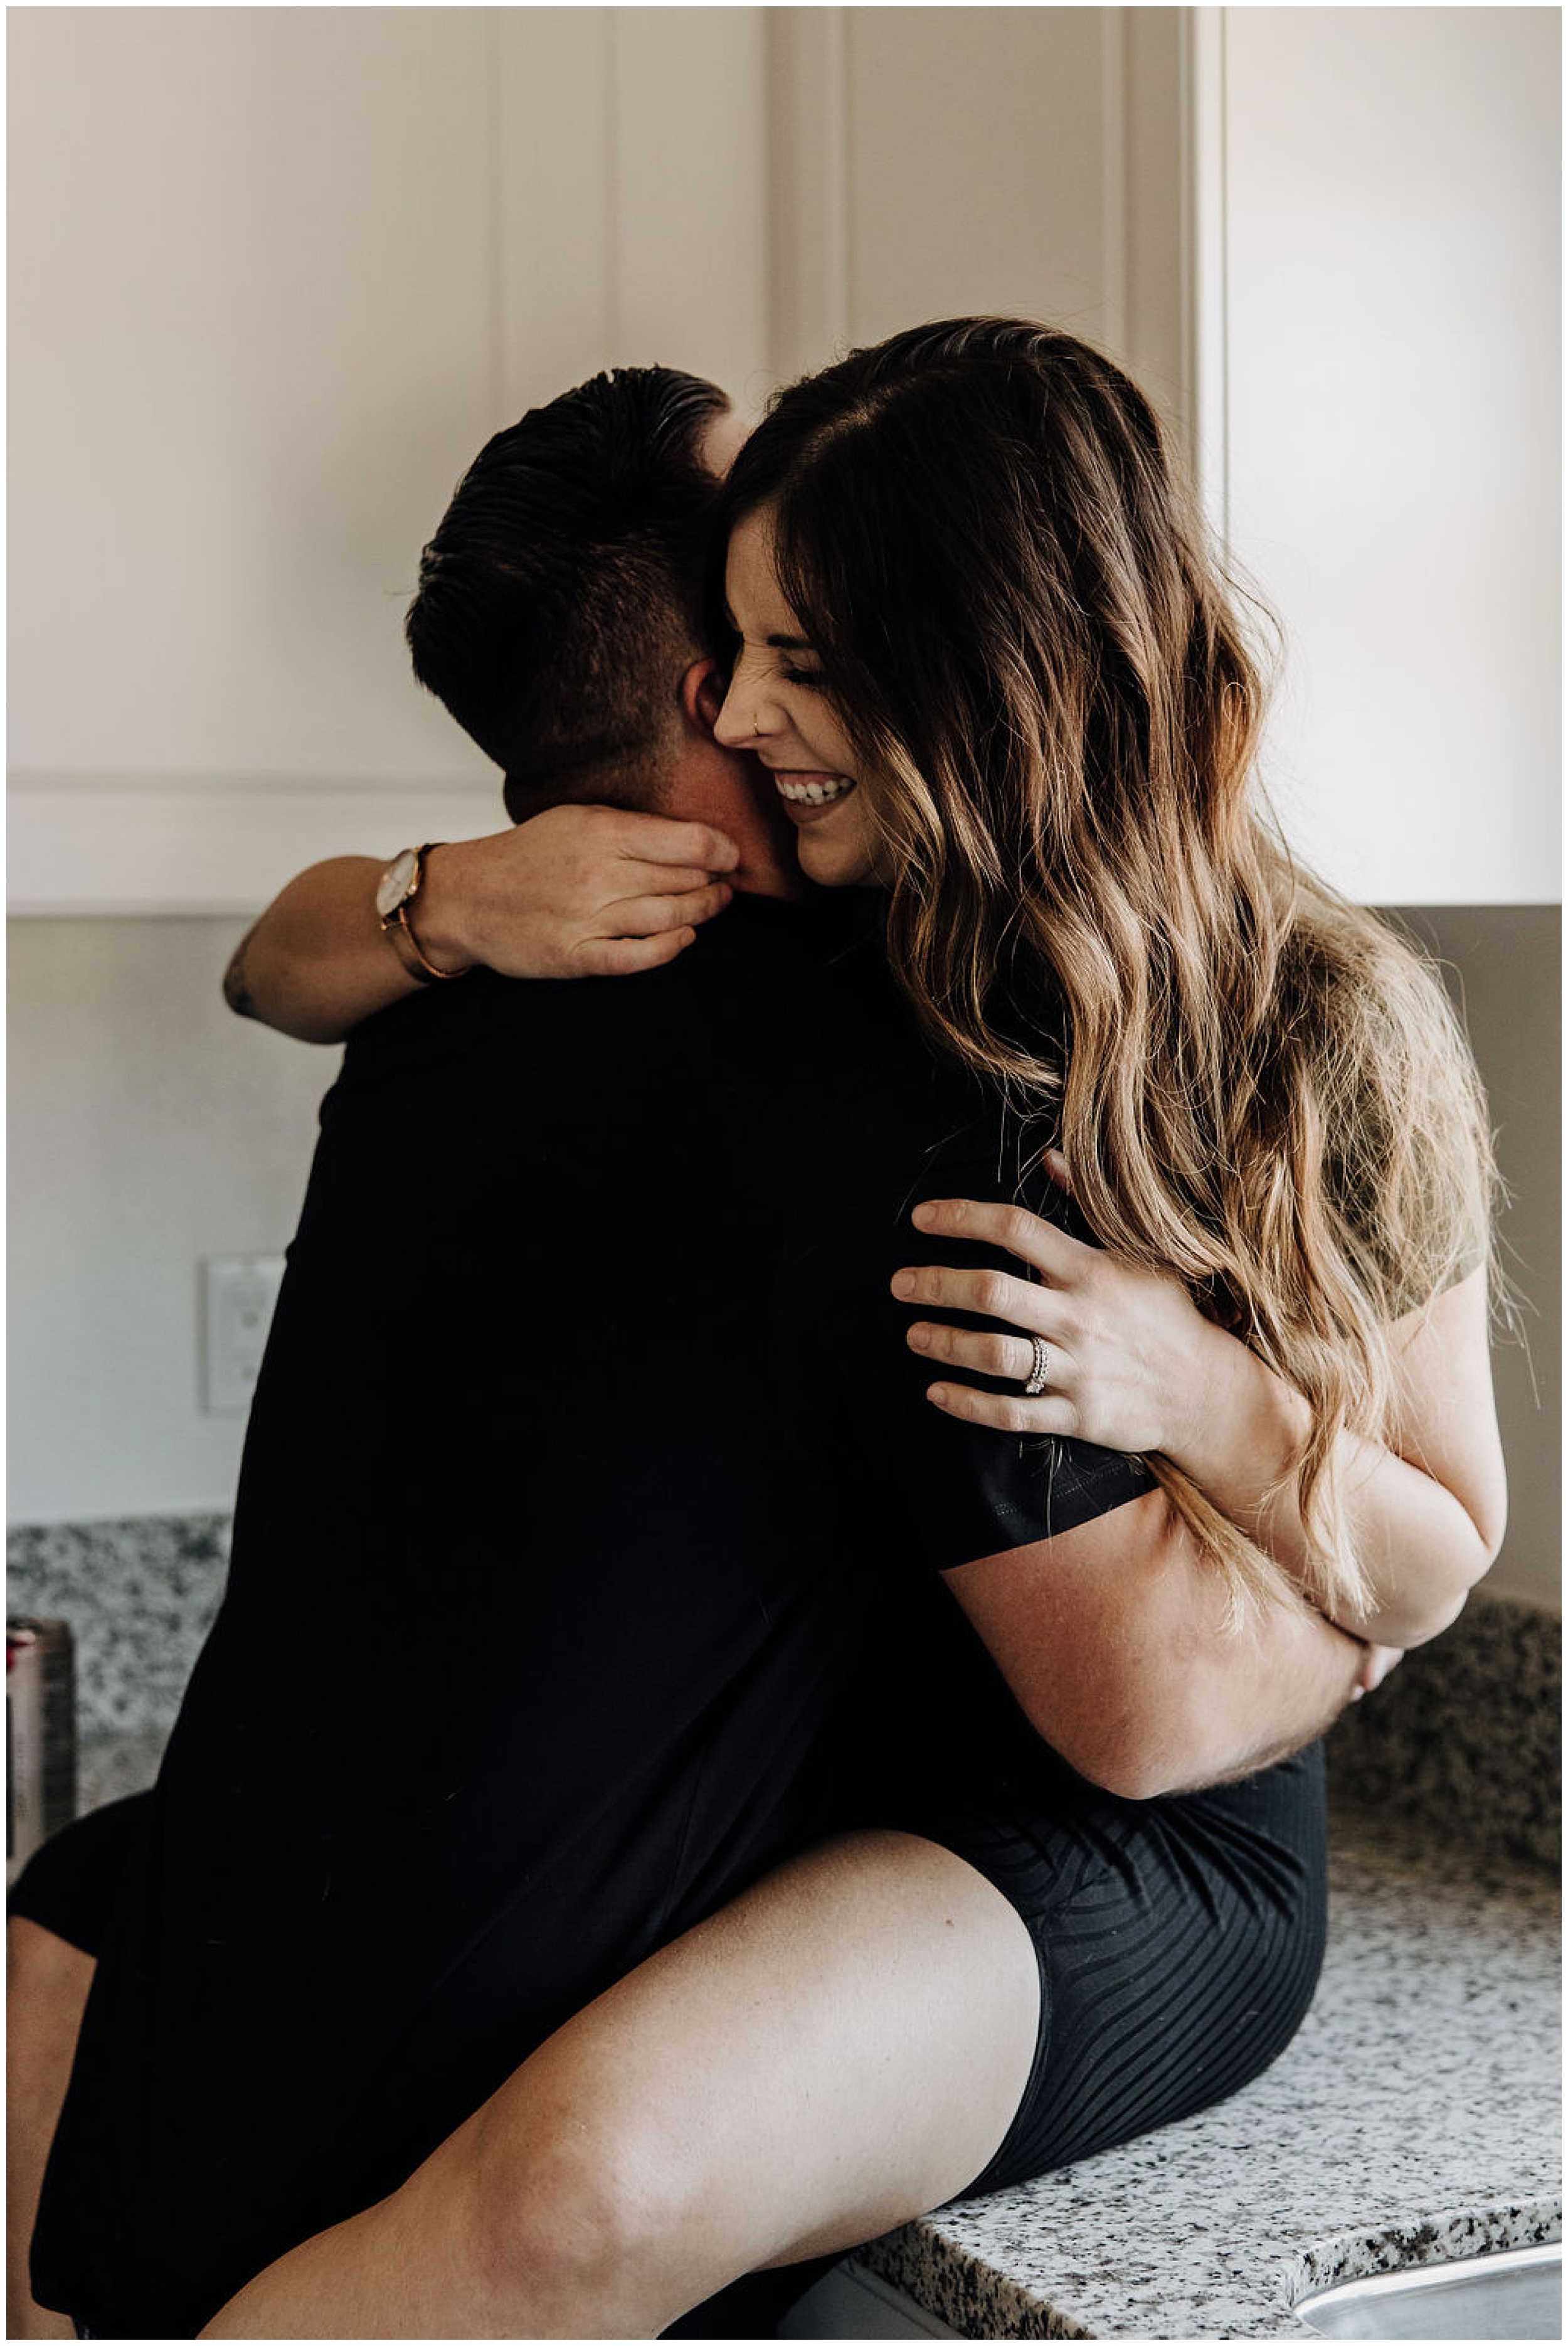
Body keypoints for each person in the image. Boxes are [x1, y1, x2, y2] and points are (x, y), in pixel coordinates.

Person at [16, 326, 1502, 2340]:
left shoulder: (1310, 1027)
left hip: (1138, 1804)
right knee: (115, 1897)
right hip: (861, 1762)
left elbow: (1408, 1560)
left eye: (799, 649)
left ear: (966, 659)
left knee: (577, 2175)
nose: (744, 699)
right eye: (737, 642)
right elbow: (279, 966)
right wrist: (438, 894)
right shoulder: (792, 940)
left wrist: (1215, 1404)